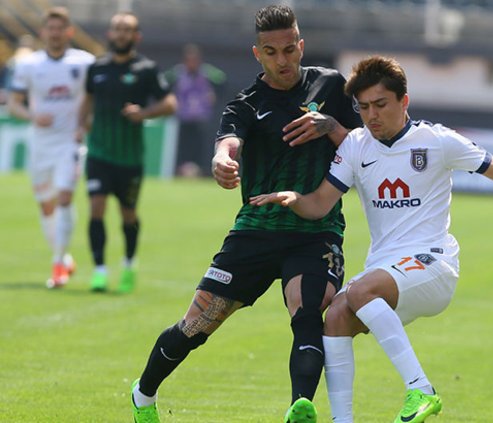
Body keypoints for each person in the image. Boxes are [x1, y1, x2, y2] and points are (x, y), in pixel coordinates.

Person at [249, 55, 493, 423]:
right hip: (386, 270)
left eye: (380, 104)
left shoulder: (436, 140)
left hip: (433, 264)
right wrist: (294, 199)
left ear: (404, 101)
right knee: (335, 317)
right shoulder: (355, 146)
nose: (372, 115)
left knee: (362, 291)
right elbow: (320, 203)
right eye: (363, 108)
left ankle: (420, 390)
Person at [129, 5, 361, 423]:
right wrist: (221, 161)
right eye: (271, 52)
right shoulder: (246, 103)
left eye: (289, 49)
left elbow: (364, 146)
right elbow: (228, 143)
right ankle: (143, 395)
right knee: (197, 324)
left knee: (308, 310)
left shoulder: (332, 86)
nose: (282, 60)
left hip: (316, 228)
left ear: (301, 45)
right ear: (257, 54)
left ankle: (300, 408)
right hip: (256, 229)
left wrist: (331, 126)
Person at [78, 12, 176, 293]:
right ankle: (99, 270)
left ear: (136, 36)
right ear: (109, 34)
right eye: (117, 29)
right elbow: (87, 99)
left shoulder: (146, 69)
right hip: (99, 154)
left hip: (129, 158)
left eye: (127, 29)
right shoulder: (97, 67)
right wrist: (81, 125)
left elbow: (170, 104)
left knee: (128, 214)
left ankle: (129, 265)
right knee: (96, 207)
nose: (121, 34)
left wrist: (143, 113)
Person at [8, 8, 94, 288]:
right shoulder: (29, 65)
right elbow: (14, 103)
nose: (55, 34)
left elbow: (93, 97)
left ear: (69, 32)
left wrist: (86, 122)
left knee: (65, 197)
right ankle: (65, 258)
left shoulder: (84, 63)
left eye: (60, 29)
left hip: (70, 142)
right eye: (50, 29)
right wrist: (33, 115)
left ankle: (57, 264)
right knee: (46, 206)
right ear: (43, 32)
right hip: (41, 145)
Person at [164, 43, 226, 177]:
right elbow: (163, 81)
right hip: (183, 117)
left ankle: (200, 171)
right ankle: (180, 170)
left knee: (200, 147)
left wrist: (214, 96)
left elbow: (222, 78)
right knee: (182, 147)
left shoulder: (207, 72)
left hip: (201, 118)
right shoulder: (178, 73)